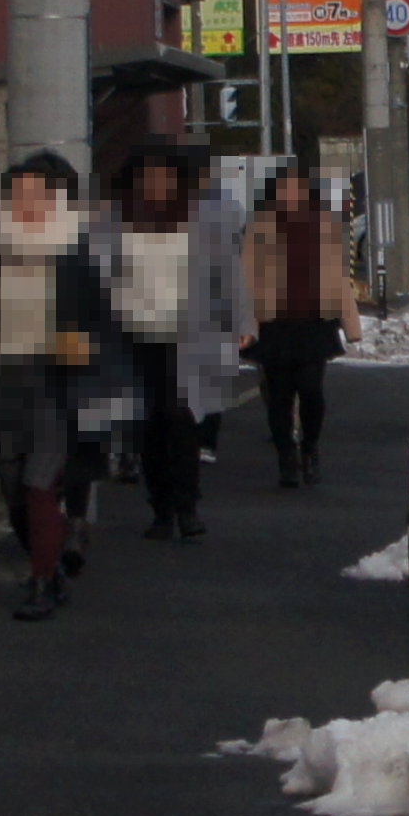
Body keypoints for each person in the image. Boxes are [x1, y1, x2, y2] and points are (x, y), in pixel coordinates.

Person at [0, 151, 138, 620]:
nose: (28, 203)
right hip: (3, 391)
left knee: (38, 485)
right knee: (14, 491)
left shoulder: (85, 258)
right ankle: (48, 565)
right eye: (20, 194)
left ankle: (38, 582)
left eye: (41, 194)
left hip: (61, 394)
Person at [105, 135, 250, 540]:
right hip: (137, 335)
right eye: (147, 178)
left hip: (189, 334)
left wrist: (242, 322)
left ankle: (187, 505)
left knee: (180, 416)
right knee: (149, 423)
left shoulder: (202, 221)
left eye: (164, 177)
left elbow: (229, 275)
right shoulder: (118, 223)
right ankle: (160, 507)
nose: (156, 186)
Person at [242, 163, 362, 487]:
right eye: (283, 189)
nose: (290, 195)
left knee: (311, 389)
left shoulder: (324, 225)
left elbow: (338, 278)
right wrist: (245, 324)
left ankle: (310, 447)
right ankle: (286, 456)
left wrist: (351, 324)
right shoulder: (259, 228)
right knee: (279, 396)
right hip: (275, 323)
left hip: (315, 320)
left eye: (296, 188)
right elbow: (247, 280)